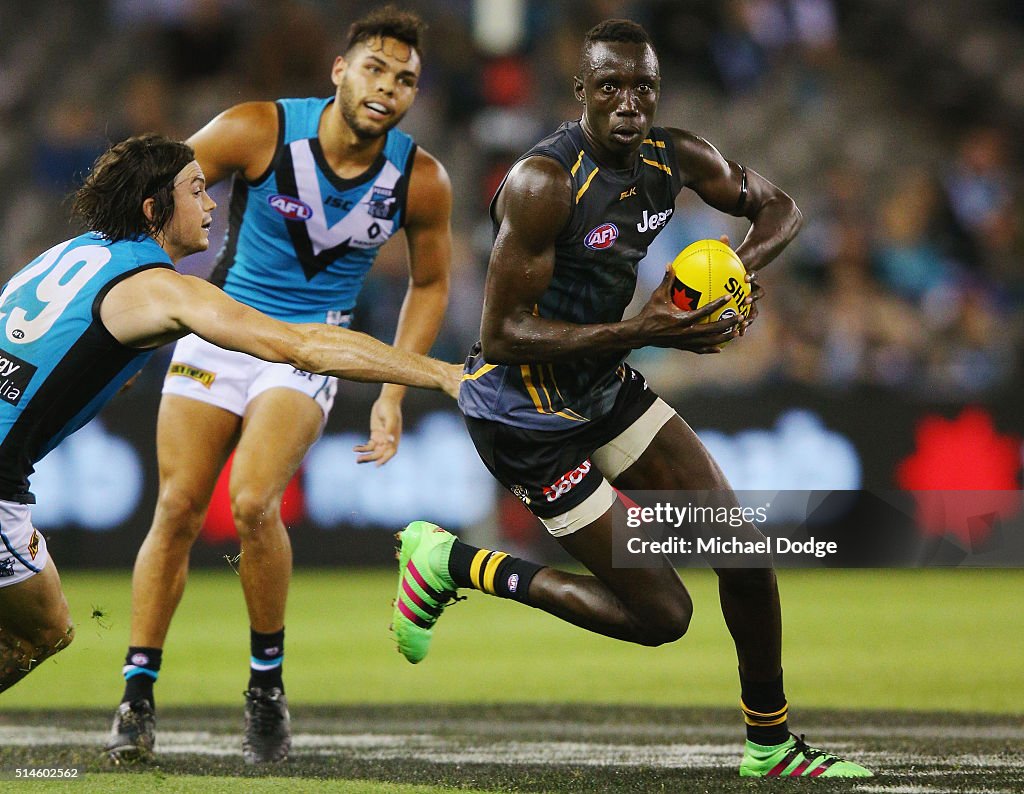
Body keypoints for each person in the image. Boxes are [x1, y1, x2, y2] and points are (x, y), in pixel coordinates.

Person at [392, 19, 873, 779]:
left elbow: (782, 209)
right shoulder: (543, 183)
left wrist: (730, 278)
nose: (628, 101)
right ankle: (455, 562)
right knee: (663, 618)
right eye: (610, 85)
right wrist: (646, 329)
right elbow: (505, 332)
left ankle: (770, 744)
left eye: (642, 85)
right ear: (581, 91)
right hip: (527, 417)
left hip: (605, 385)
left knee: (743, 555)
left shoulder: (672, 156)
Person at [105, 7, 451, 765]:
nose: (387, 88)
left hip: (309, 353)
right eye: (375, 69)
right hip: (221, 333)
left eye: (405, 80)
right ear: (339, 70)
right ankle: (137, 692)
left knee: (254, 501)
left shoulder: (419, 179)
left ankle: (266, 684)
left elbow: (430, 285)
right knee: (177, 507)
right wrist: (144, 309)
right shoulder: (257, 129)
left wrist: (392, 393)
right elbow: (156, 194)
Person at [0, 133, 458, 704]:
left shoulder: (69, 252)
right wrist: (439, 373)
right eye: (197, 190)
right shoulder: (162, 289)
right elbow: (301, 346)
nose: (212, 202)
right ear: (153, 209)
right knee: (44, 629)